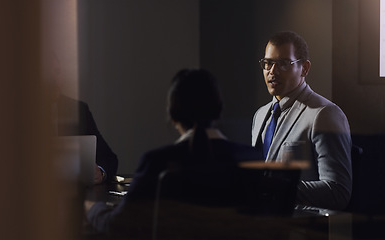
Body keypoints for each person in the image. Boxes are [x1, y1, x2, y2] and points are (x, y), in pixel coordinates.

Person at [85, 68, 262, 237]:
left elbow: (117, 226)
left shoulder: (157, 162)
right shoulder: (253, 158)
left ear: (172, 113)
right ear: (219, 109)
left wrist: (91, 209)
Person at [251, 31, 352, 210]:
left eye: (282, 64)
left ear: (304, 68)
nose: (272, 71)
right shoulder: (260, 115)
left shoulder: (324, 114)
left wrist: (277, 189)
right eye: (268, 64)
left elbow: (338, 191)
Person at [45, 52, 118, 184]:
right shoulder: (19, 113)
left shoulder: (78, 110)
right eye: (48, 73)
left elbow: (109, 158)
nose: (55, 79)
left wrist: (100, 172)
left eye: (57, 72)